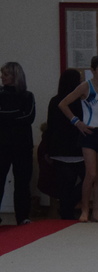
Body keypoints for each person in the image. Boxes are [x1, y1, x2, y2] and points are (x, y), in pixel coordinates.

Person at [59, 55, 98, 223]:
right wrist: (77, 122)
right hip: (88, 133)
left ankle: (96, 212)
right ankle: (84, 210)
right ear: (93, 71)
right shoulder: (85, 87)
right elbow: (63, 104)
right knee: (91, 173)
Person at [44, 69, 85, 220]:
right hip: (77, 148)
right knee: (89, 179)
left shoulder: (55, 101)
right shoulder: (81, 101)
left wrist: (48, 149)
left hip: (59, 148)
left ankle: (66, 211)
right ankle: (67, 207)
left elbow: (50, 126)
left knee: (65, 186)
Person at [0, 61, 36, 226]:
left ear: (16, 76)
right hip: (2, 145)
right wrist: (15, 114)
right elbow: (19, 117)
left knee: (22, 182)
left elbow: (28, 118)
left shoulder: (27, 96)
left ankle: (22, 217)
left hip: (22, 146)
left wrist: (5, 116)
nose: (2, 77)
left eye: (6, 74)